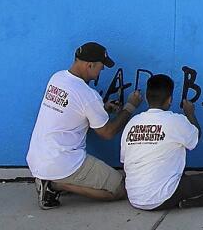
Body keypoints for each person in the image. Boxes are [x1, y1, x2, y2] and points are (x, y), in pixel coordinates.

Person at [26, 42, 140, 210]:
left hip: (38, 156)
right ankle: (54, 185)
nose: (100, 72)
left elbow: (72, 109)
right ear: (90, 65)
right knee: (120, 189)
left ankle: (51, 179)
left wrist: (102, 108)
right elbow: (107, 133)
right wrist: (131, 106)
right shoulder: (88, 95)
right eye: (101, 67)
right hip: (63, 161)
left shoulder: (57, 78)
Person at [120, 73, 203, 210]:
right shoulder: (176, 120)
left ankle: (180, 200)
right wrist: (190, 114)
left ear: (146, 98)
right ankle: (182, 202)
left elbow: (124, 161)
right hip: (163, 197)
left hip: (134, 198)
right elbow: (195, 138)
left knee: (178, 174)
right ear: (169, 100)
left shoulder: (132, 123)